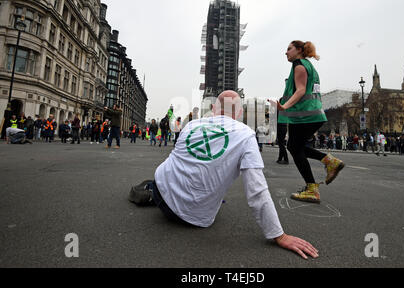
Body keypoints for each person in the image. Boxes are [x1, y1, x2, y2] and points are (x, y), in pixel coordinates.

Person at [129, 91, 319, 260]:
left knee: (166, 173)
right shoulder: (245, 135)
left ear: (213, 108)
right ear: (239, 112)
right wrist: (279, 235)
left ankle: (151, 189)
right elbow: (257, 191)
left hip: (163, 191)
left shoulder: (192, 125)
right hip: (194, 216)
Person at [269, 40, 344, 204]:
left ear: (299, 50)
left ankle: (312, 188)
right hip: (312, 114)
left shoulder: (299, 65)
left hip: (304, 115)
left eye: (289, 49)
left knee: (294, 148)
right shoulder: (308, 65)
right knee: (296, 147)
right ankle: (329, 162)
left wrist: (284, 106)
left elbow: (301, 90)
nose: (286, 52)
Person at [276, 97, 289, 164]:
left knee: (281, 143)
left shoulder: (279, 109)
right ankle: (280, 158)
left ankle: (286, 159)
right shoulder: (286, 109)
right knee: (281, 143)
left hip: (279, 126)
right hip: (284, 126)